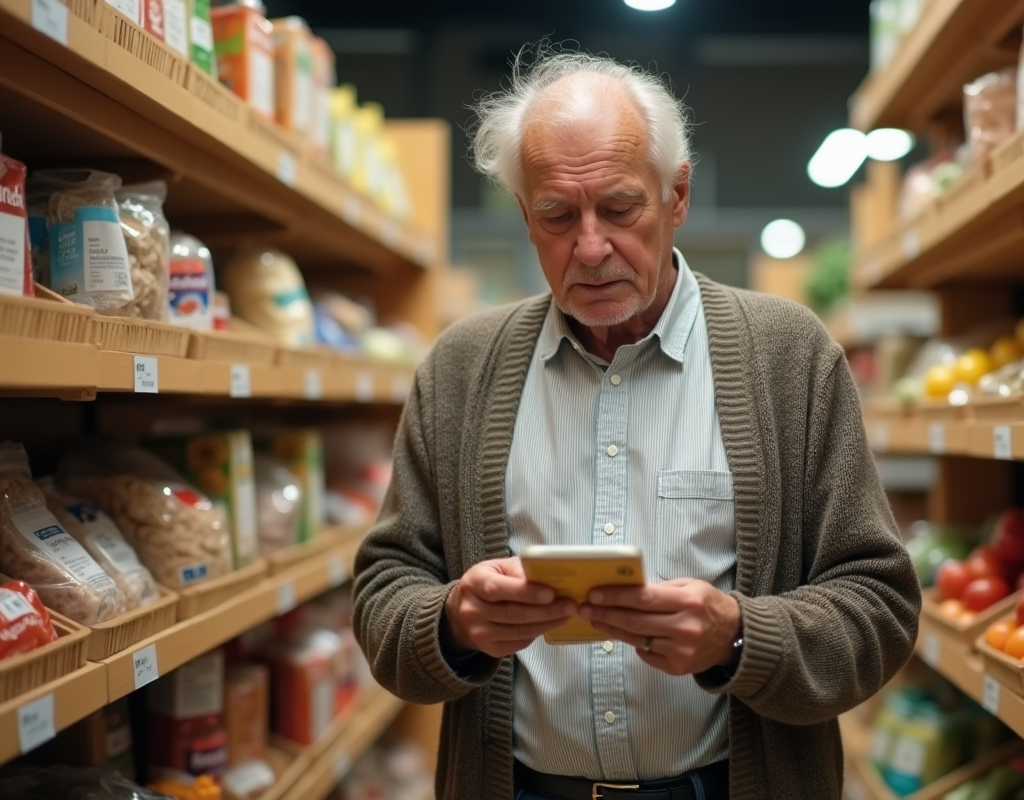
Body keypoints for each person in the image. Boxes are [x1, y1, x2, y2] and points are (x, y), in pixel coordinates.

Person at [353, 47, 921, 800]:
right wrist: (453, 622)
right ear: (525, 217)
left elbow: (879, 604)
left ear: (676, 195)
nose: (590, 248)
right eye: (557, 215)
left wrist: (740, 636)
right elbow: (383, 588)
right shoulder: (462, 369)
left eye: (621, 208)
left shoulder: (790, 356)